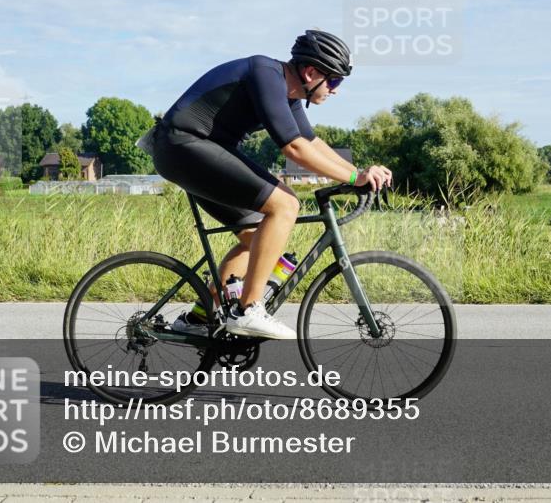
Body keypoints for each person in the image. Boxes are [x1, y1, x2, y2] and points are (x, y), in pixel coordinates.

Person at [149, 30, 392, 340]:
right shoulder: (266, 74)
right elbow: (294, 150)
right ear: (311, 72)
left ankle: (200, 317)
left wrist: (360, 173)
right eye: (334, 81)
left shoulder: (288, 95)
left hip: (195, 151)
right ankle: (248, 309)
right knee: (286, 203)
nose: (335, 90)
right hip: (182, 146)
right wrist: (354, 179)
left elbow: (311, 142)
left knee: (257, 238)